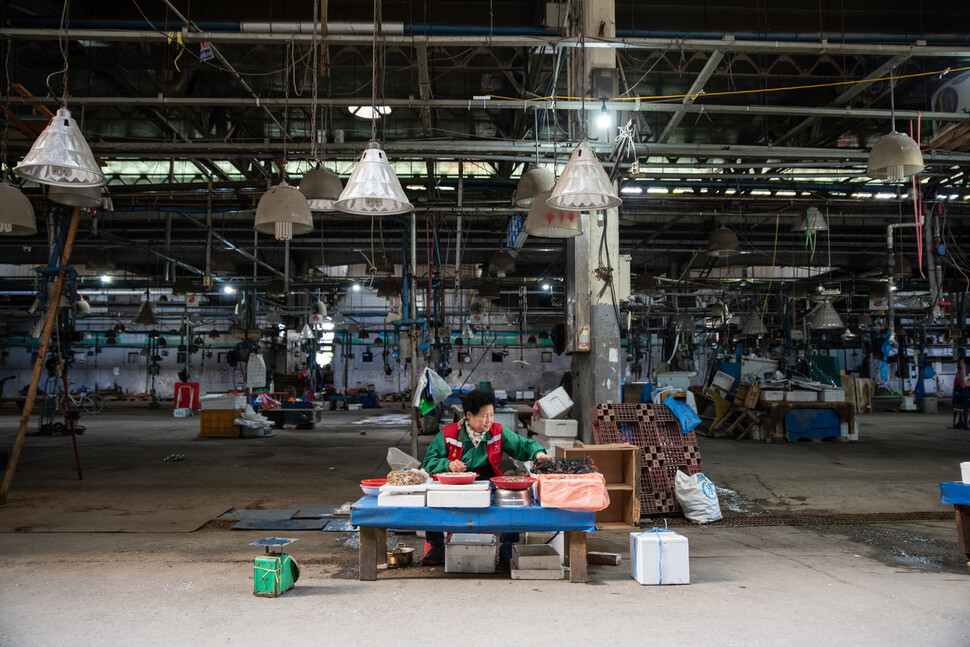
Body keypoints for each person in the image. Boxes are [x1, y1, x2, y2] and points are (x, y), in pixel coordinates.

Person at [420, 389, 549, 566]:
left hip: (488, 479)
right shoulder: (449, 434)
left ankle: (508, 545)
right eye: (483, 416)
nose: (488, 421)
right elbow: (429, 461)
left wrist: (539, 454)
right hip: (455, 482)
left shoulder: (497, 431)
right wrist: (448, 465)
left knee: (514, 498)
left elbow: (524, 445)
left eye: (491, 415)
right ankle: (436, 546)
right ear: (468, 415)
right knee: (432, 499)